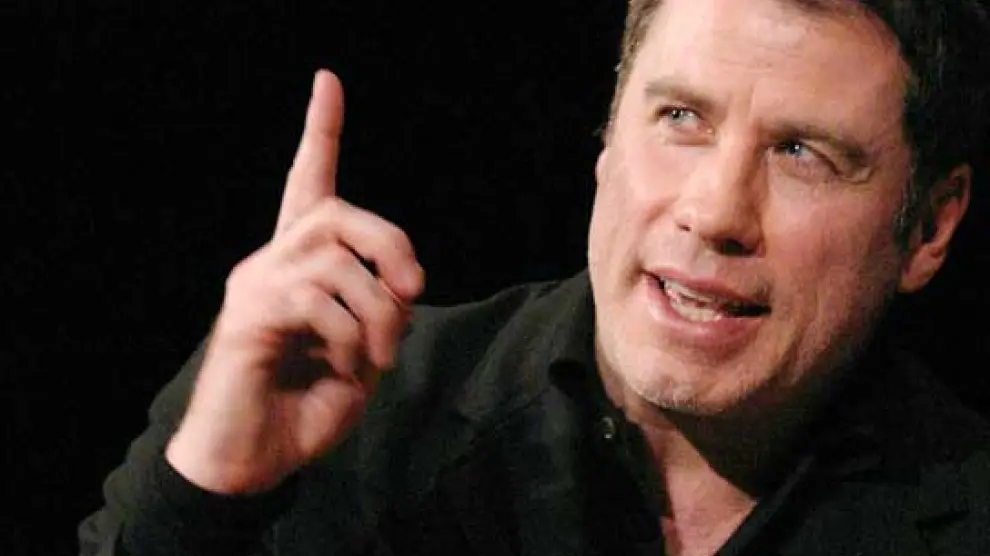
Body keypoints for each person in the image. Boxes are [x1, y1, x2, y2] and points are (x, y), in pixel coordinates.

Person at [80, 0, 990, 554]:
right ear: (607, 137)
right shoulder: (345, 407)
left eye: (802, 153)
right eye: (681, 117)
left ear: (930, 227)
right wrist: (203, 496)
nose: (714, 211)